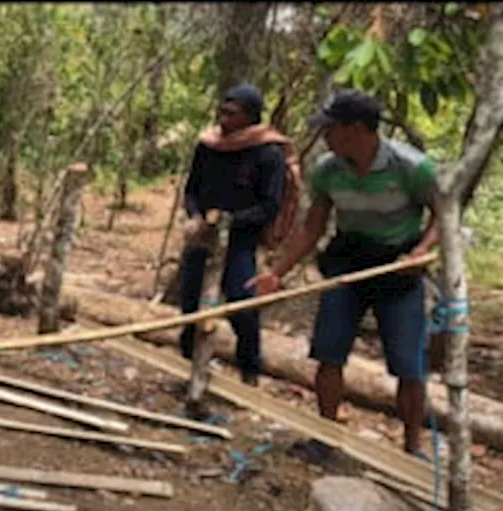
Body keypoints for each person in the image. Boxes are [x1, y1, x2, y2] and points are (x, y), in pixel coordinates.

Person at [246, 89, 440, 465]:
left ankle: (413, 448)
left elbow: (442, 216)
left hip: (397, 270)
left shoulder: (411, 167)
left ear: (356, 129)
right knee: (329, 352)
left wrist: (420, 253)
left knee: (408, 363)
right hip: (347, 265)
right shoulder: (328, 170)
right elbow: (312, 227)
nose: (325, 137)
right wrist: (276, 274)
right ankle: (325, 438)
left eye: (331, 129)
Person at [178, 83, 290, 388]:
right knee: (190, 301)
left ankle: (249, 371)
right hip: (203, 236)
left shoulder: (268, 153)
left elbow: (270, 206)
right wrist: (197, 216)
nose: (223, 118)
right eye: (222, 111)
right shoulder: (208, 146)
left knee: (241, 303)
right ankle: (188, 365)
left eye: (232, 113)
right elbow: (192, 190)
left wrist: (231, 222)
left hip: (240, 239)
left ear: (250, 117)